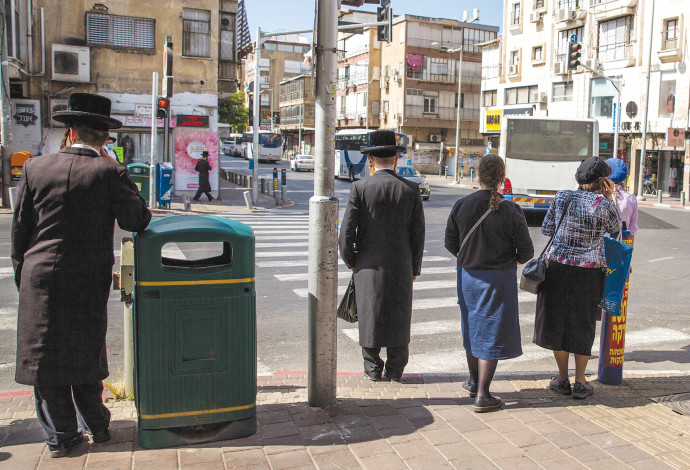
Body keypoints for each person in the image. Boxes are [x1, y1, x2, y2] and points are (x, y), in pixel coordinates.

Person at [11, 93, 152, 458]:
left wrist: (22, 276)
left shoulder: (35, 168)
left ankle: (61, 435)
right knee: (86, 351)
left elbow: (20, 231)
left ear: (70, 131)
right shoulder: (109, 171)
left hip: (39, 275)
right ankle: (98, 425)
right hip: (87, 278)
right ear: (105, 139)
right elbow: (136, 219)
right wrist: (117, 169)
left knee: (45, 358)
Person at [445, 155, 534, 412]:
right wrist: (509, 259)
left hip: (468, 276)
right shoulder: (510, 210)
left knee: (472, 325)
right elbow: (526, 252)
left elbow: (451, 243)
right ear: (502, 179)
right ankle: (483, 394)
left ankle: (474, 382)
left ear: (479, 176)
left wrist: (470, 256)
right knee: (492, 329)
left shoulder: (462, 205)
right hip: (499, 278)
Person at [339, 130, 425, 382]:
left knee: (370, 314)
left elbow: (346, 232)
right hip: (401, 264)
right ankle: (396, 369)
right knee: (399, 315)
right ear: (396, 160)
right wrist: (414, 269)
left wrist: (352, 261)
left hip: (367, 264)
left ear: (371, 161)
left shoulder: (360, 187)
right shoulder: (410, 190)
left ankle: (373, 368)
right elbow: (417, 235)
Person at [533, 156, 621, 399]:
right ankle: (581, 381)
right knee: (582, 324)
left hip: (556, 268)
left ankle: (562, 378)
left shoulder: (562, 197)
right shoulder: (603, 205)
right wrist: (611, 198)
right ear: (603, 181)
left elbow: (547, 230)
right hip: (589, 272)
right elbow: (616, 229)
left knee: (556, 322)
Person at [606, 157, 638, 240]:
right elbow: (632, 230)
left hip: (600, 249)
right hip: (621, 247)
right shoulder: (631, 199)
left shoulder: (599, 197)